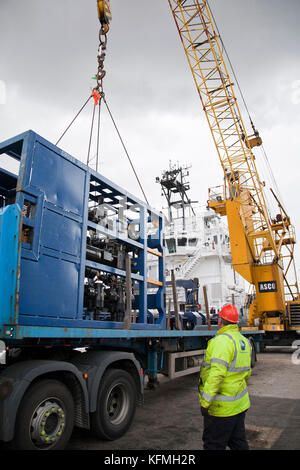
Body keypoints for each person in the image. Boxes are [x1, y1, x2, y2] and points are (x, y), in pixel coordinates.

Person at [198, 304, 252, 450]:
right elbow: (247, 374)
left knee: (213, 445)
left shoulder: (221, 341)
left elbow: (217, 375)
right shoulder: (244, 342)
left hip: (222, 409)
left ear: (220, 321)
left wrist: (205, 402)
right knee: (238, 443)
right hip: (239, 405)